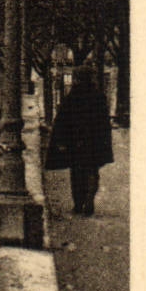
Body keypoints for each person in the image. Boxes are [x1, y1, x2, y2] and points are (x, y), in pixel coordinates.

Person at [46, 65, 115, 215]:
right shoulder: (99, 96)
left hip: (76, 142)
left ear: (76, 79)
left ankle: (78, 204)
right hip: (94, 141)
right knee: (92, 171)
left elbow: (62, 121)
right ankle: (89, 200)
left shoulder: (72, 97)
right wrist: (103, 143)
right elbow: (104, 123)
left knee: (77, 174)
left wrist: (61, 142)